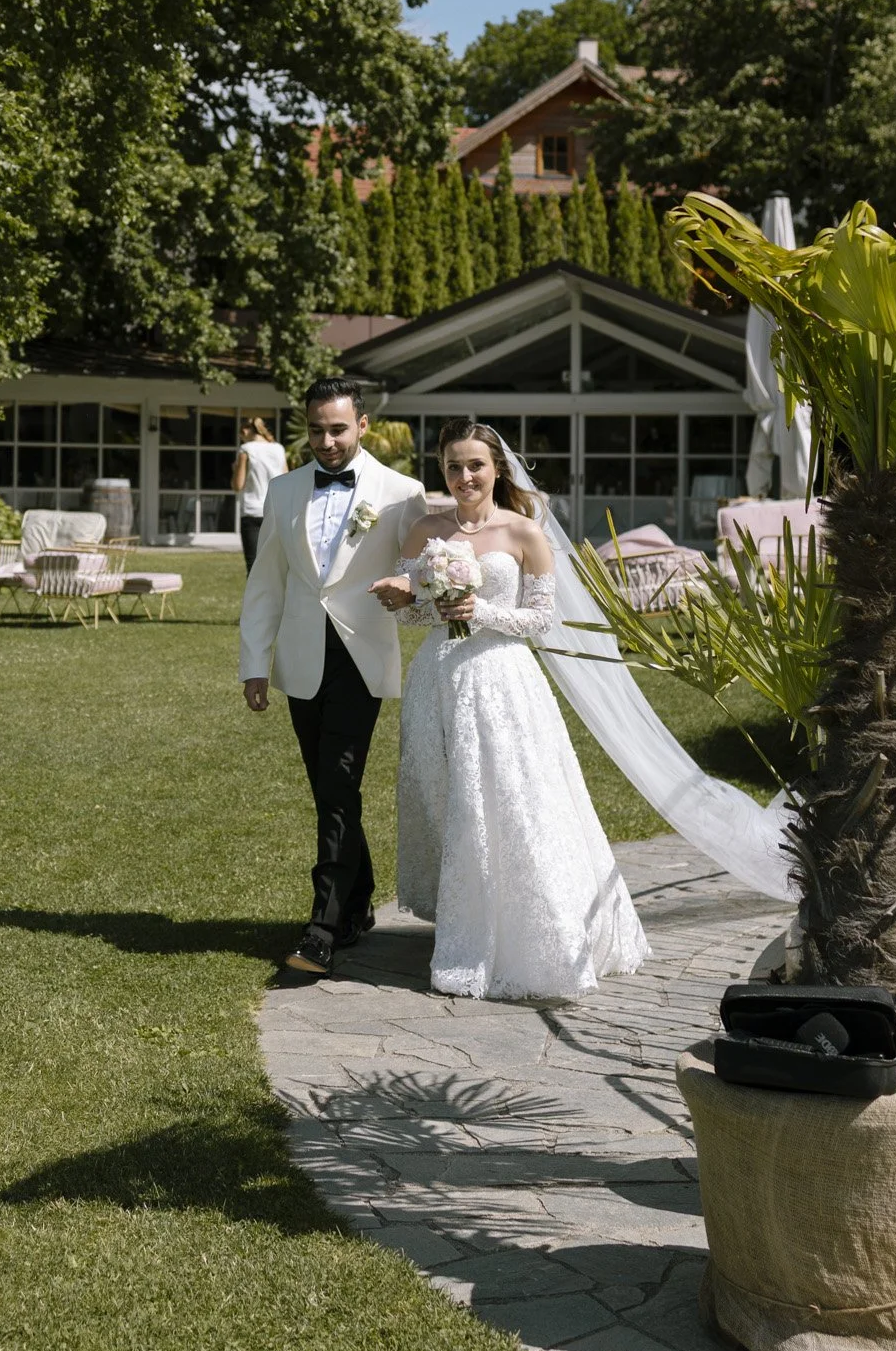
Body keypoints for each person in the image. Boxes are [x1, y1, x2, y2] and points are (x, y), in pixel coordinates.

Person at [370, 419, 648, 1001]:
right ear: (441, 469)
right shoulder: (425, 529)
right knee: (449, 798)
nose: (464, 476)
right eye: (453, 465)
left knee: (508, 800)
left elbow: (541, 620)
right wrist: (408, 599)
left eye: (475, 465)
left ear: (497, 468)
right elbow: (416, 617)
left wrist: (480, 610)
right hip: (437, 680)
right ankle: (468, 919)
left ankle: (531, 934)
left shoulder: (525, 532)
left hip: (502, 679)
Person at [240, 377, 426, 976]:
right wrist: (255, 663)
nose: (326, 440)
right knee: (330, 789)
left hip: (361, 656)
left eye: (338, 429)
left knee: (339, 785)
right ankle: (358, 905)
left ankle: (323, 927)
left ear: (363, 425)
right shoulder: (285, 488)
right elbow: (267, 580)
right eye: (316, 429)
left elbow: (419, 573)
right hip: (300, 659)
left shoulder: (402, 493)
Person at [232, 417, 287, 571]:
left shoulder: (246, 449)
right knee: (276, 567)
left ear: (244, 431)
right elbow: (286, 479)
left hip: (252, 512)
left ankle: (254, 596)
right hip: (275, 511)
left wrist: (235, 470)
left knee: (254, 567)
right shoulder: (278, 449)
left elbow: (237, 485)